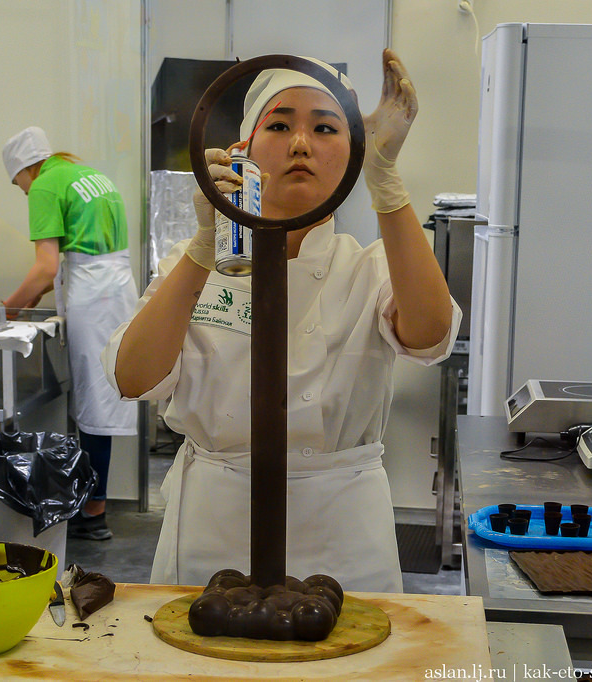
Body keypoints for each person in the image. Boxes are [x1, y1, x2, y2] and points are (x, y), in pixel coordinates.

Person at [103, 50, 461, 591]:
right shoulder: (196, 265)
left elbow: (430, 335)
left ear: (352, 154)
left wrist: (386, 181)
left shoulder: (369, 267)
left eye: (325, 128)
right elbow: (134, 378)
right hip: (216, 530)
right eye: (280, 124)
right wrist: (207, 243)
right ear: (242, 151)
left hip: (343, 534)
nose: (301, 143)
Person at [2, 126, 137, 541]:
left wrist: (4, 311)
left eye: (19, 185)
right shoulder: (87, 174)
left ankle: (93, 513)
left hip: (93, 296)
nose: (24, 192)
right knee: (100, 400)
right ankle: (90, 504)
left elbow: (46, 267)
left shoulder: (45, 184)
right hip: (116, 289)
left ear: (26, 169)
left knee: (95, 407)